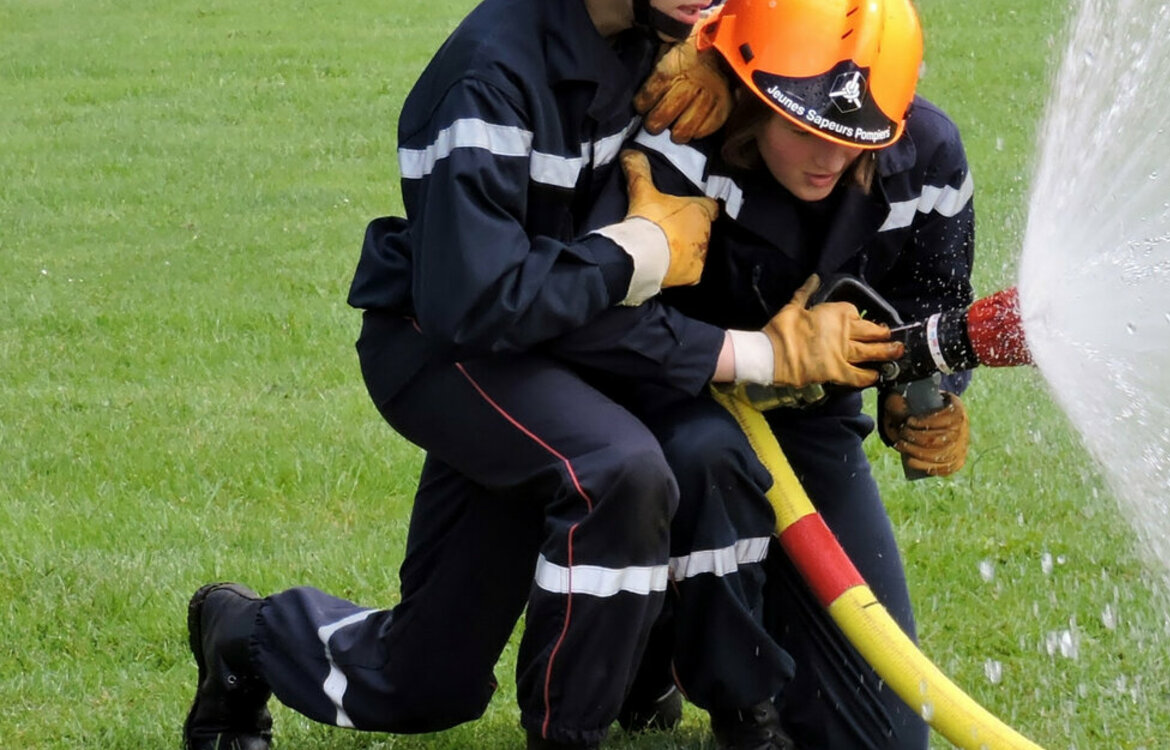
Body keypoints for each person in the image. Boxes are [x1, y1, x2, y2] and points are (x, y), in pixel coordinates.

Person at [178, 1, 899, 749]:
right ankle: (560, 728)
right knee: (607, 480)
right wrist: (645, 259)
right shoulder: (487, 78)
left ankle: (244, 633)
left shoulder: (661, 38)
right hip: (451, 351)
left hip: (561, 345)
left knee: (430, 679)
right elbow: (475, 299)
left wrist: (727, 62)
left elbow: (836, 76)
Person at [613, 1, 978, 747]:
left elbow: (935, 303)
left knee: (885, 737)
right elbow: (605, 326)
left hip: (812, 429)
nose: (828, 159)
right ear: (749, 93)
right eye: (805, 129)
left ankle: (686, 630)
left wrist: (927, 394)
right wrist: (700, 42)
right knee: (698, 466)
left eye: (855, 140)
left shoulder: (930, 154)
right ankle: (672, 655)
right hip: (664, 410)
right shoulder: (682, 127)